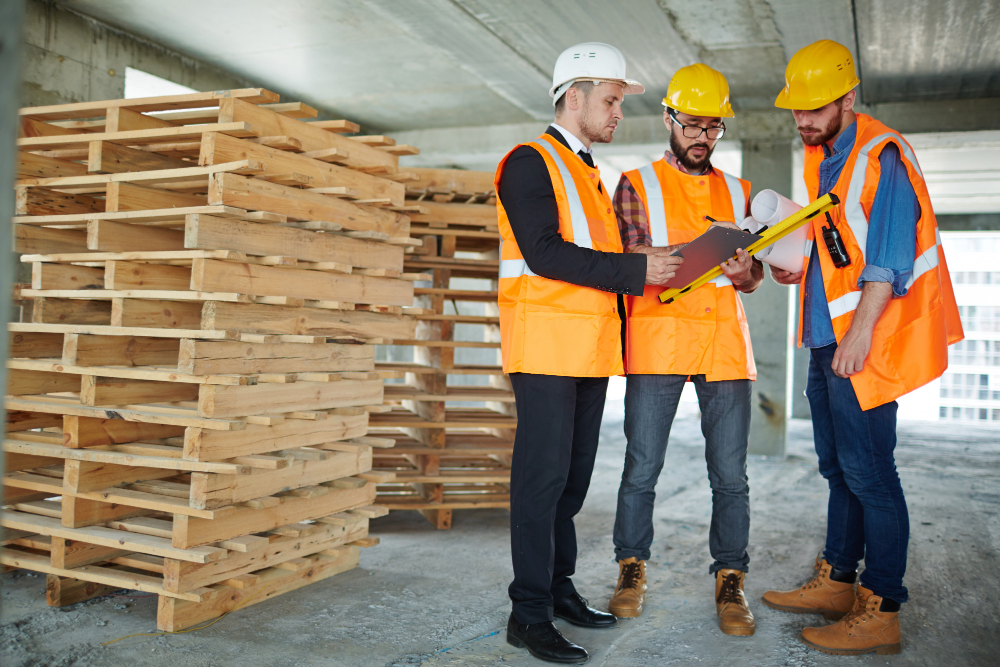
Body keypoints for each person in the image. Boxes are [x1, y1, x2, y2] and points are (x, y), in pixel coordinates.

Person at [761, 39, 964, 656]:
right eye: (795, 110)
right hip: (825, 341)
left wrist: (857, 333)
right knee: (837, 469)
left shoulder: (882, 151)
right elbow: (838, 244)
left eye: (814, 108)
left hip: (862, 344)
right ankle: (838, 579)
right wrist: (797, 264)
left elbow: (888, 259)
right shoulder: (823, 156)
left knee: (873, 474)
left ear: (849, 97)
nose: (801, 120)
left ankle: (881, 606)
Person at [496, 42, 683, 665]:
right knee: (541, 482)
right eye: (609, 100)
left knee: (572, 485)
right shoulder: (530, 163)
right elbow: (545, 253)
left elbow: (597, 267)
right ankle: (528, 615)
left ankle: (557, 588)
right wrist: (637, 268)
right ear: (572, 96)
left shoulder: (588, 174)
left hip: (587, 351)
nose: (617, 113)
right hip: (546, 347)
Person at [607, 63, 763, 636]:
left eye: (714, 127)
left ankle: (730, 580)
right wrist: (685, 253)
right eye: (694, 124)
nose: (703, 137)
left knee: (731, 475)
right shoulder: (635, 184)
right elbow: (628, 259)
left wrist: (747, 271)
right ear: (670, 118)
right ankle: (631, 569)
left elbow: (753, 279)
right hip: (659, 339)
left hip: (724, 344)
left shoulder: (740, 191)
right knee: (642, 467)